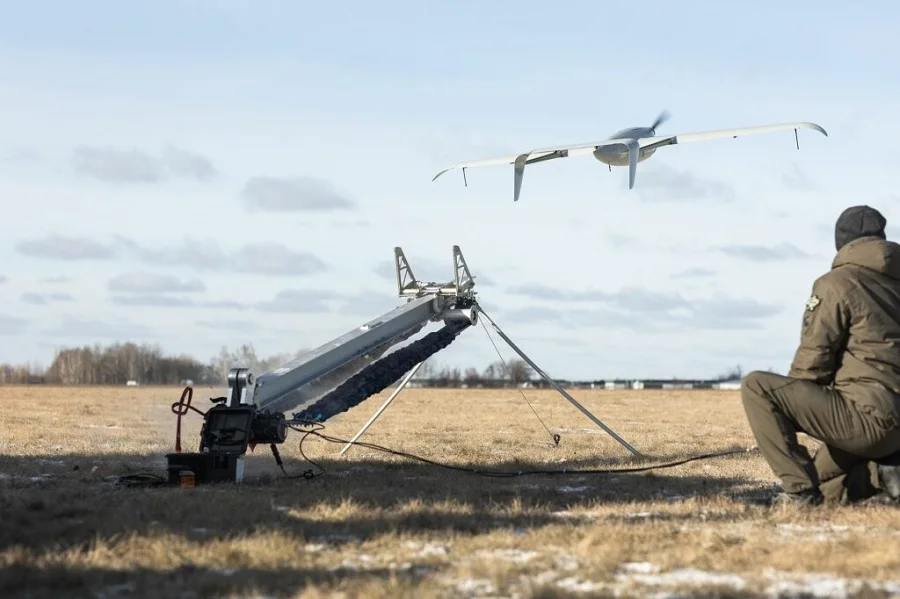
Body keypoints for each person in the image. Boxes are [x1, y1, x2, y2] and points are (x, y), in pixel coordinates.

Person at [741, 205, 900, 506]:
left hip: (866, 421)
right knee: (825, 485)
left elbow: (813, 363)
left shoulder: (836, 284)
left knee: (756, 386)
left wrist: (790, 412)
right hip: (892, 429)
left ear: (841, 243)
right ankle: (885, 473)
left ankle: (800, 496)